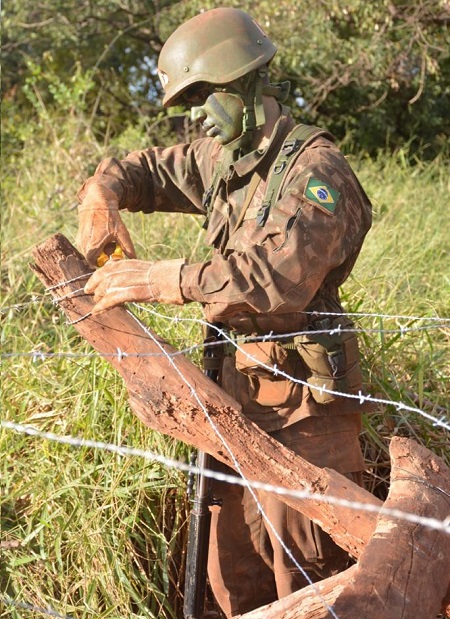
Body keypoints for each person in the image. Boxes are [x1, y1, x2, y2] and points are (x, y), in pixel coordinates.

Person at [76, 7, 373, 617]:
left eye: (201, 99)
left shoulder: (318, 174)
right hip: (231, 404)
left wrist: (165, 279)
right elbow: (148, 169)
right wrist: (100, 197)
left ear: (241, 87)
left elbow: (277, 282)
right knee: (229, 576)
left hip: (303, 412)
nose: (194, 119)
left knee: (308, 580)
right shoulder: (224, 159)